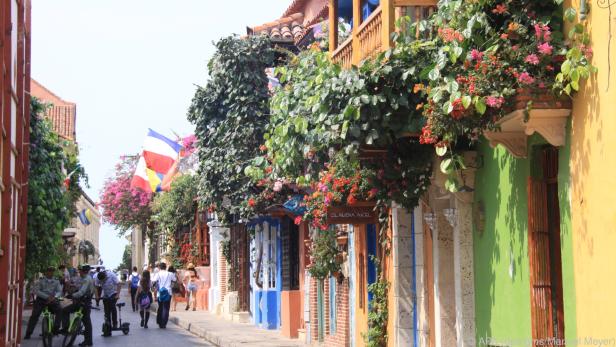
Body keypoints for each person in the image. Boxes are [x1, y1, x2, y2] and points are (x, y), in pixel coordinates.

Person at [24, 266, 63, 339]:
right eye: (49, 271)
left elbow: (59, 291)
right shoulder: (40, 280)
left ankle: (55, 329)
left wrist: (54, 297)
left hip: (52, 299)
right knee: (35, 315)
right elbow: (36, 291)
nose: (50, 273)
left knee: (60, 310)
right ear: (46, 272)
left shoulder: (56, 281)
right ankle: (28, 333)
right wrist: (47, 297)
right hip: (41, 299)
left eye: (52, 271)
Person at [62, 264, 94, 347]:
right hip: (79, 301)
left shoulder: (87, 279)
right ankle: (67, 328)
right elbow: (77, 285)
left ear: (84, 271)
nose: (79, 272)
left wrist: (72, 296)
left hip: (85, 303)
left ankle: (88, 341)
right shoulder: (82, 278)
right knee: (65, 310)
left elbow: (82, 292)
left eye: (80, 270)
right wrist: (71, 285)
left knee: (87, 322)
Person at [95, 269, 121, 335]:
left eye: (104, 280)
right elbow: (95, 287)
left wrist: (117, 294)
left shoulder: (112, 275)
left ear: (106, 276)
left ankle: (115, 323)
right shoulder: (98, 278)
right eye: (101, 281)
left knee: (112, 307)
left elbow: (119, 284)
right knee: (106, 311)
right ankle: (108, 327)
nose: (102, 282)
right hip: (106, 295)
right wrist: (97, 295)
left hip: (113, 293)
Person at [152, 262, 175, 328]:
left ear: (159, 267)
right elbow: (174, 279)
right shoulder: (170, 274)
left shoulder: (158, 274)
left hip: (160, 293)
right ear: (165, 267)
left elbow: (153, 280)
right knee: (166, 308)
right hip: (168, 292)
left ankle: (159, 321)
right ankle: (164, 323)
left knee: (160, 307)